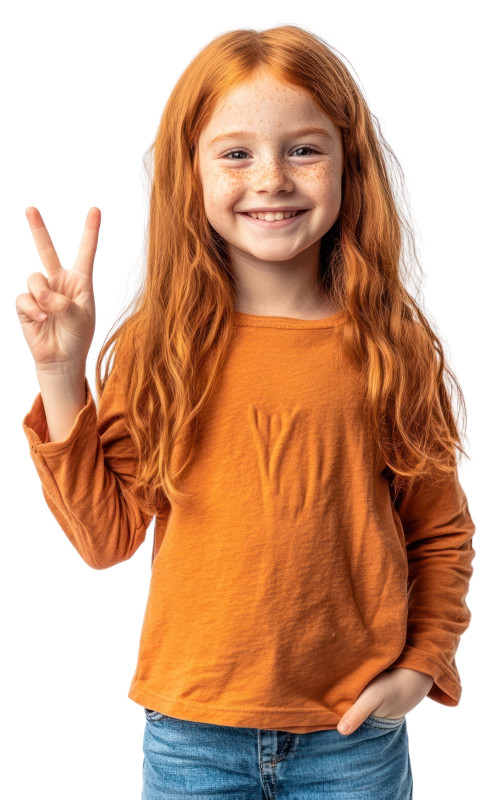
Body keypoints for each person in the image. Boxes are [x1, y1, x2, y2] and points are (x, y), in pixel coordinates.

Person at [17, 24, 475, 800]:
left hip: (351, 740)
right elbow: (104, 539)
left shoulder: (389, 346)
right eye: (236, 153)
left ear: (347, 163)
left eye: (304, 149)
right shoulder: (161, 350)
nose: (272, 178)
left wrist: (418, 668)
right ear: (188, 173)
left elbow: (438, 530)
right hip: (191, 738)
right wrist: (61, 372)